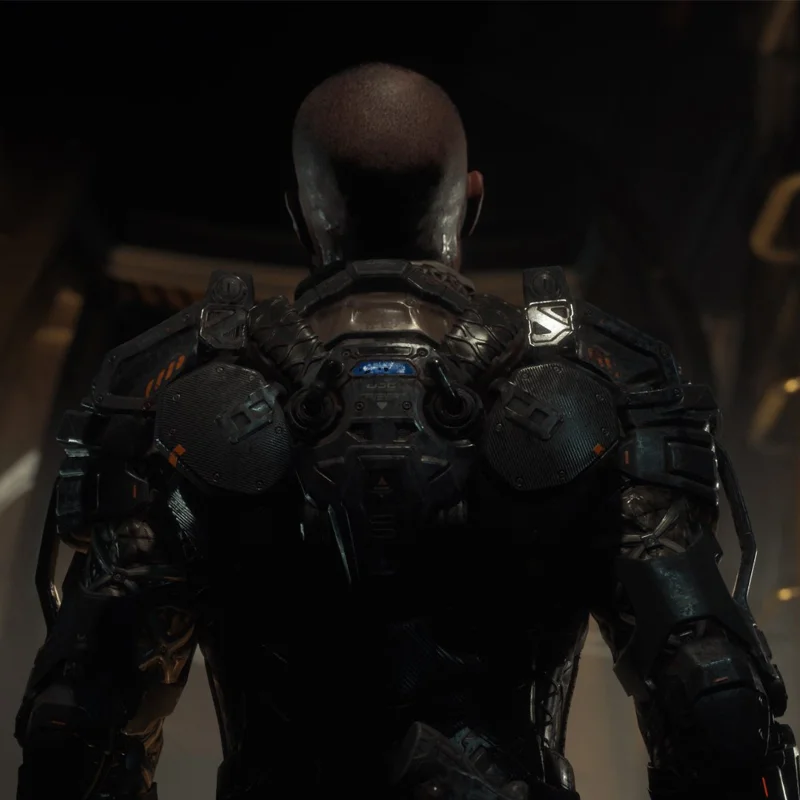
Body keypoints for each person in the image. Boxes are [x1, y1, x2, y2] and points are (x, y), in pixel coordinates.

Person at [15, 63, 800, 800]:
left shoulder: (188, 400)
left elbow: (79, 719)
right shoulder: (591, 391)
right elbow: (712, 695)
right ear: (473, 201)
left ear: (297, 210)